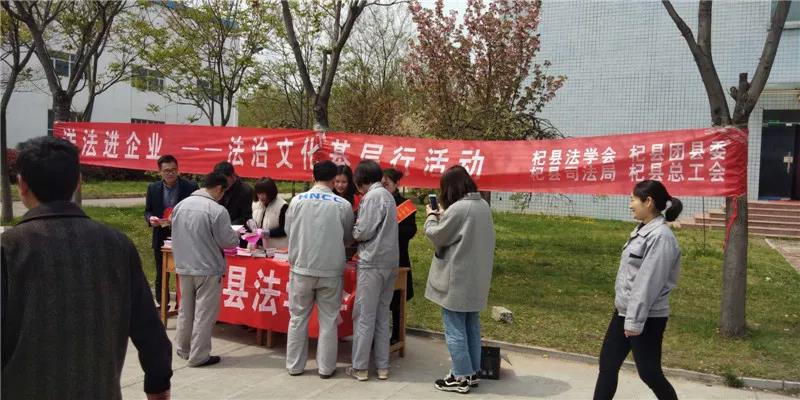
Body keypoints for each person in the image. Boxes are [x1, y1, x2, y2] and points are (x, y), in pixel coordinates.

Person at [1, 136, 172, 400]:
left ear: (22, 185)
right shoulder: (117, 244)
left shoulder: (9, 248)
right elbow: (149, 329)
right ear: (78, 181)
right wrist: (158, 386)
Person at [593, 180, 682, 400]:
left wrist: (633, 323)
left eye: (633, 199)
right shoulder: (643, 230)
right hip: (624, 312)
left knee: (650, 373)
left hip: (647, 317)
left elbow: (647, 284)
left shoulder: (661, 237)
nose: (630, 204)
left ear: (648, 201)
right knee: (608, 364)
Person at [424, 165, 495, 394]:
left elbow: (437, 235)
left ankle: (460, 376)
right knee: (471, 326)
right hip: (476, 278)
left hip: (457, 279)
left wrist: (431, 217)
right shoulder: (482, 205)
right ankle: (471, 372)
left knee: (454, 328)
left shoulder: (459, 208)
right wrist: (445, 216)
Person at [284, 160, 355, 378]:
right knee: (329, 321)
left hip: (301, 268)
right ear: (334, 178)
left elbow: (289, 230)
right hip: (331, 270)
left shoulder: (296, 201)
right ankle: (326, 368)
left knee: (297, 319)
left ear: (313, 176)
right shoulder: (342, 205)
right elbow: (348, 237)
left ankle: (294, 366)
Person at [170, 172, 240, 368]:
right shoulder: (216, 210)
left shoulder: (180, 205)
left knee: (186, 310)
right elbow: (227, 241)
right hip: (208, 268)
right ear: (218, 188)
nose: (222, 196)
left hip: (184, 265)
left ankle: (183, 348)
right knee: (204, 314)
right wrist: (236, 236)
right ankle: (199, 355)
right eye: (223, 192)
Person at [347, 160, 399, 382]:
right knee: (382, 315)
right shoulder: (388, 196)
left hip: (372, 262)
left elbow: (364, 231)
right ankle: (382, 366)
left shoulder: (372, 197)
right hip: (390, 262)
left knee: (364, 316)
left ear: (360, 181)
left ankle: (360, 367)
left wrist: (353, 231)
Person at [145, 154, 198, 309]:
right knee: (161, 271)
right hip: (161, 234)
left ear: (178, 169)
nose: (170, 173)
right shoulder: (153, 188)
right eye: (167, 171)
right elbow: (148, 210)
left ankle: (183, 304)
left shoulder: (190, 186)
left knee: (184, 272)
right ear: (160, 172)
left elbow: (197, 209)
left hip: (184, 235)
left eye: (173, 170)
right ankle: (162, 304)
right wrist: (150, 219)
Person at [382, 168, 417, 345]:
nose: (384, 186)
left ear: (397, 184)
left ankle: (396, 335)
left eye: (388, 183)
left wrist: (389, 228)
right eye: (382, 183)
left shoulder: (405, 205)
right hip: (377, 258)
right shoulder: (375, 201)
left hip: (398, 258)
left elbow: (410, 231)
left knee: (397, 301)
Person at [248, 177, 289, 249]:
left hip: (276, 248)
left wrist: (267, 233)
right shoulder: (255, 203)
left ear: (271, 193)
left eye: (263, 194)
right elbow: (249, 218)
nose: (261, 197)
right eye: (258, 193)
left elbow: (285, 230)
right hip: (256, 248)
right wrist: (250, 224)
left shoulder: (283, 206)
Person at [213, 161, 253, 225]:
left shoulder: (245, 190)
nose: (221, 183)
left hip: (236, 228)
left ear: (232, 176)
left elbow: (246, 217)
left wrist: (228, 226)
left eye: (224, 180)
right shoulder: (217, 187)